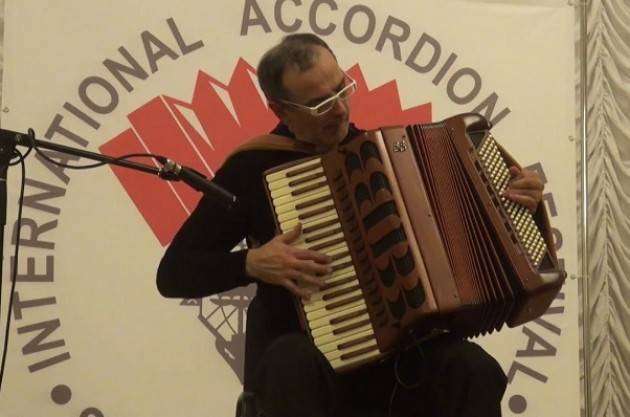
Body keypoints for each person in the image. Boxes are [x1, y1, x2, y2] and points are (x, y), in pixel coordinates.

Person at [157, 33, 545, 417]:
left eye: (342, 89)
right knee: (290, 360)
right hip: (309, 366)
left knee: (472, 369)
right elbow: (174, 273)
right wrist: (250, 263)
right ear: (280, 111)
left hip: (395, 367)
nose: (340, 109)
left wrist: (515, 203)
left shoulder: (384, 157)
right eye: (319, 104)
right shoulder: (251, 168)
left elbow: (472, 235)